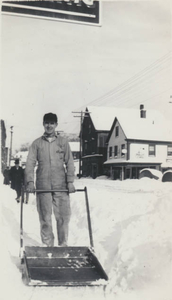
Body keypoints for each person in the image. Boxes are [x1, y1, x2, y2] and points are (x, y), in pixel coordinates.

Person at [25, 113, 75, 247]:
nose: (49, 126)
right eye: (47, 123)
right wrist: (30, 182)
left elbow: (70, 162)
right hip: (43, 186)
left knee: (63, 217)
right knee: (45, 218)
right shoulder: (37, 143)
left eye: (52, 123)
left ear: (56, 125)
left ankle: (63, 245)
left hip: (61, 186)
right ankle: (48, 247)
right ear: (43, 124)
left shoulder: (63, 142)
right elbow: (30, 163)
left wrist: (70, 182)